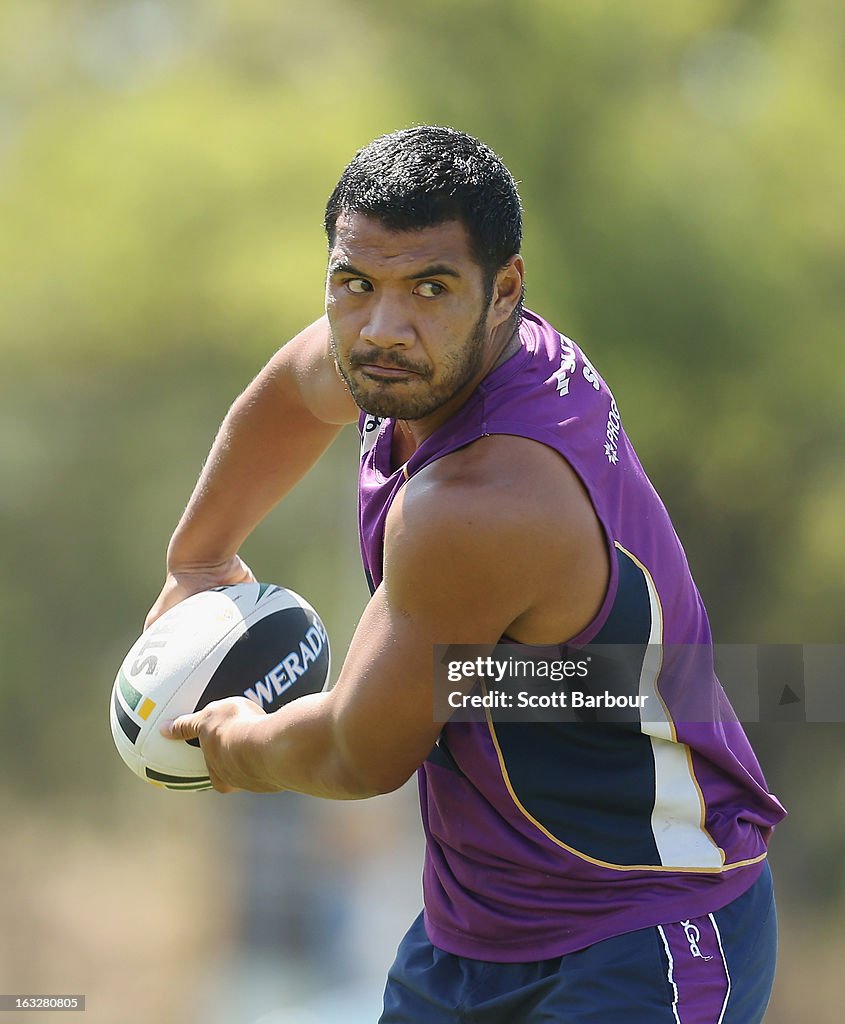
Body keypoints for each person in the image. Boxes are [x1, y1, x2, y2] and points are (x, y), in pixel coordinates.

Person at [147, 126, 786, 1023]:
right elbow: (295, 392)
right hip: (469, 938)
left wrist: (231, 745)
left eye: (430, 288)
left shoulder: (483, 501)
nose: (382, 326)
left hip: (644, 932)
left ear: (505, 293)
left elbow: (357, 751)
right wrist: (198, 560)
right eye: (354, 284)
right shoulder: (407, 359)